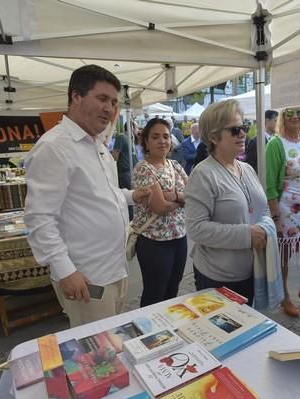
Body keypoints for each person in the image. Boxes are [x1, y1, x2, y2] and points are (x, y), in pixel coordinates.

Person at [25, 64, 150, 328]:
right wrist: (66, 271)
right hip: (87, 277)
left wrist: (131, 196)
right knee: (95, 356)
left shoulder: (96, 144)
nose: (110, 109)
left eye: (114, 102)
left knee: (111, 342)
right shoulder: (54, 147)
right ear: (76, 96)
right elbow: (39, 220)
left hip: (114, 269)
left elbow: (101, 194)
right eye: (102, 98)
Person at [185, 99, 269, 305]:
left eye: (244, 127)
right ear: (213, 137)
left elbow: (262, 208)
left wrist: (267, 227)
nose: (242, 134)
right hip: (217, 275)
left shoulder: (247, 169)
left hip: (251, 269)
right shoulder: (203, 174)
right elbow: (196, 229)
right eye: (235, 130)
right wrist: (247, 234)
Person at [266, 106, 300, 317]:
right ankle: (285, 297)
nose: (295, 116)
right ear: (282, 117)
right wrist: (276, 218)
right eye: (289, 112)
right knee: (284, 256)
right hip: (285, 207)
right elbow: (270, 184)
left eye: (299, 112)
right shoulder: (275, 144)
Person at [132, 118, 188, 307]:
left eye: (165, 136)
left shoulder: (176, 166)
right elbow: (160, 207)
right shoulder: (143, 168)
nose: (162, 141)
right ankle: (148, 333)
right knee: (155, 293)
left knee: (173, 290)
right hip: (154, 242)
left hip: (179, 237)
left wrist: (172, 195)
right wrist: (181, 199)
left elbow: (194, 195)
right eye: (155, 137)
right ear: (146, 141)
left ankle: (168, 329)